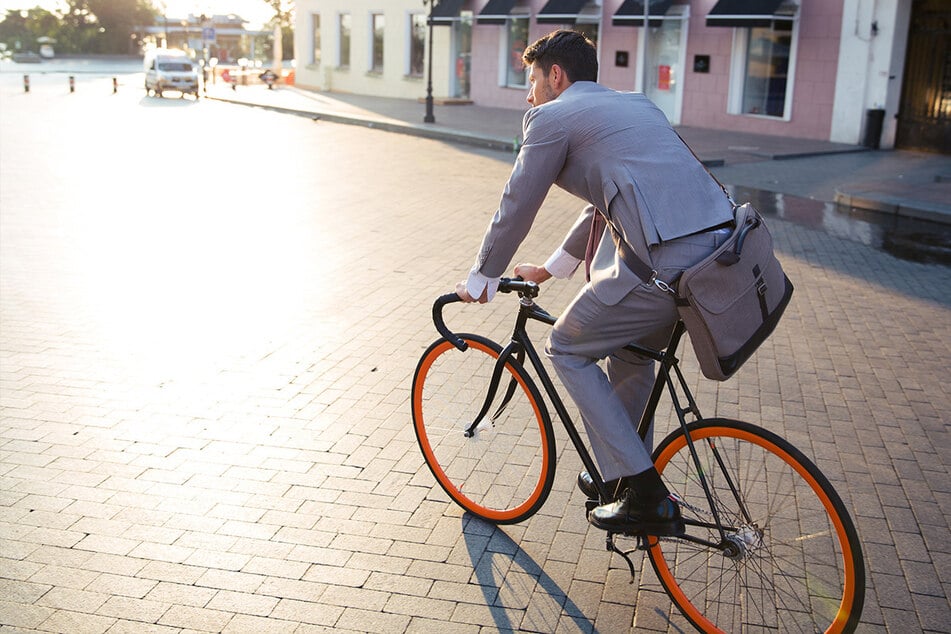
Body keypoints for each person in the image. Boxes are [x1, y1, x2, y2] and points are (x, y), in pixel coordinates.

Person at [455, 30, 735, 536]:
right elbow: (606, 203)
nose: (529, 94)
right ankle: (624, 474)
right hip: (715, 260)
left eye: (532, 80)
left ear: (555, 75)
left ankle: (645, 492)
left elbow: (518, 202)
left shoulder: (553, 117)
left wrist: (483, 277)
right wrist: (549, 269)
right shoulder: (637, 105)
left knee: (565, 346)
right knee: (628, 356)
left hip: (662, 270)